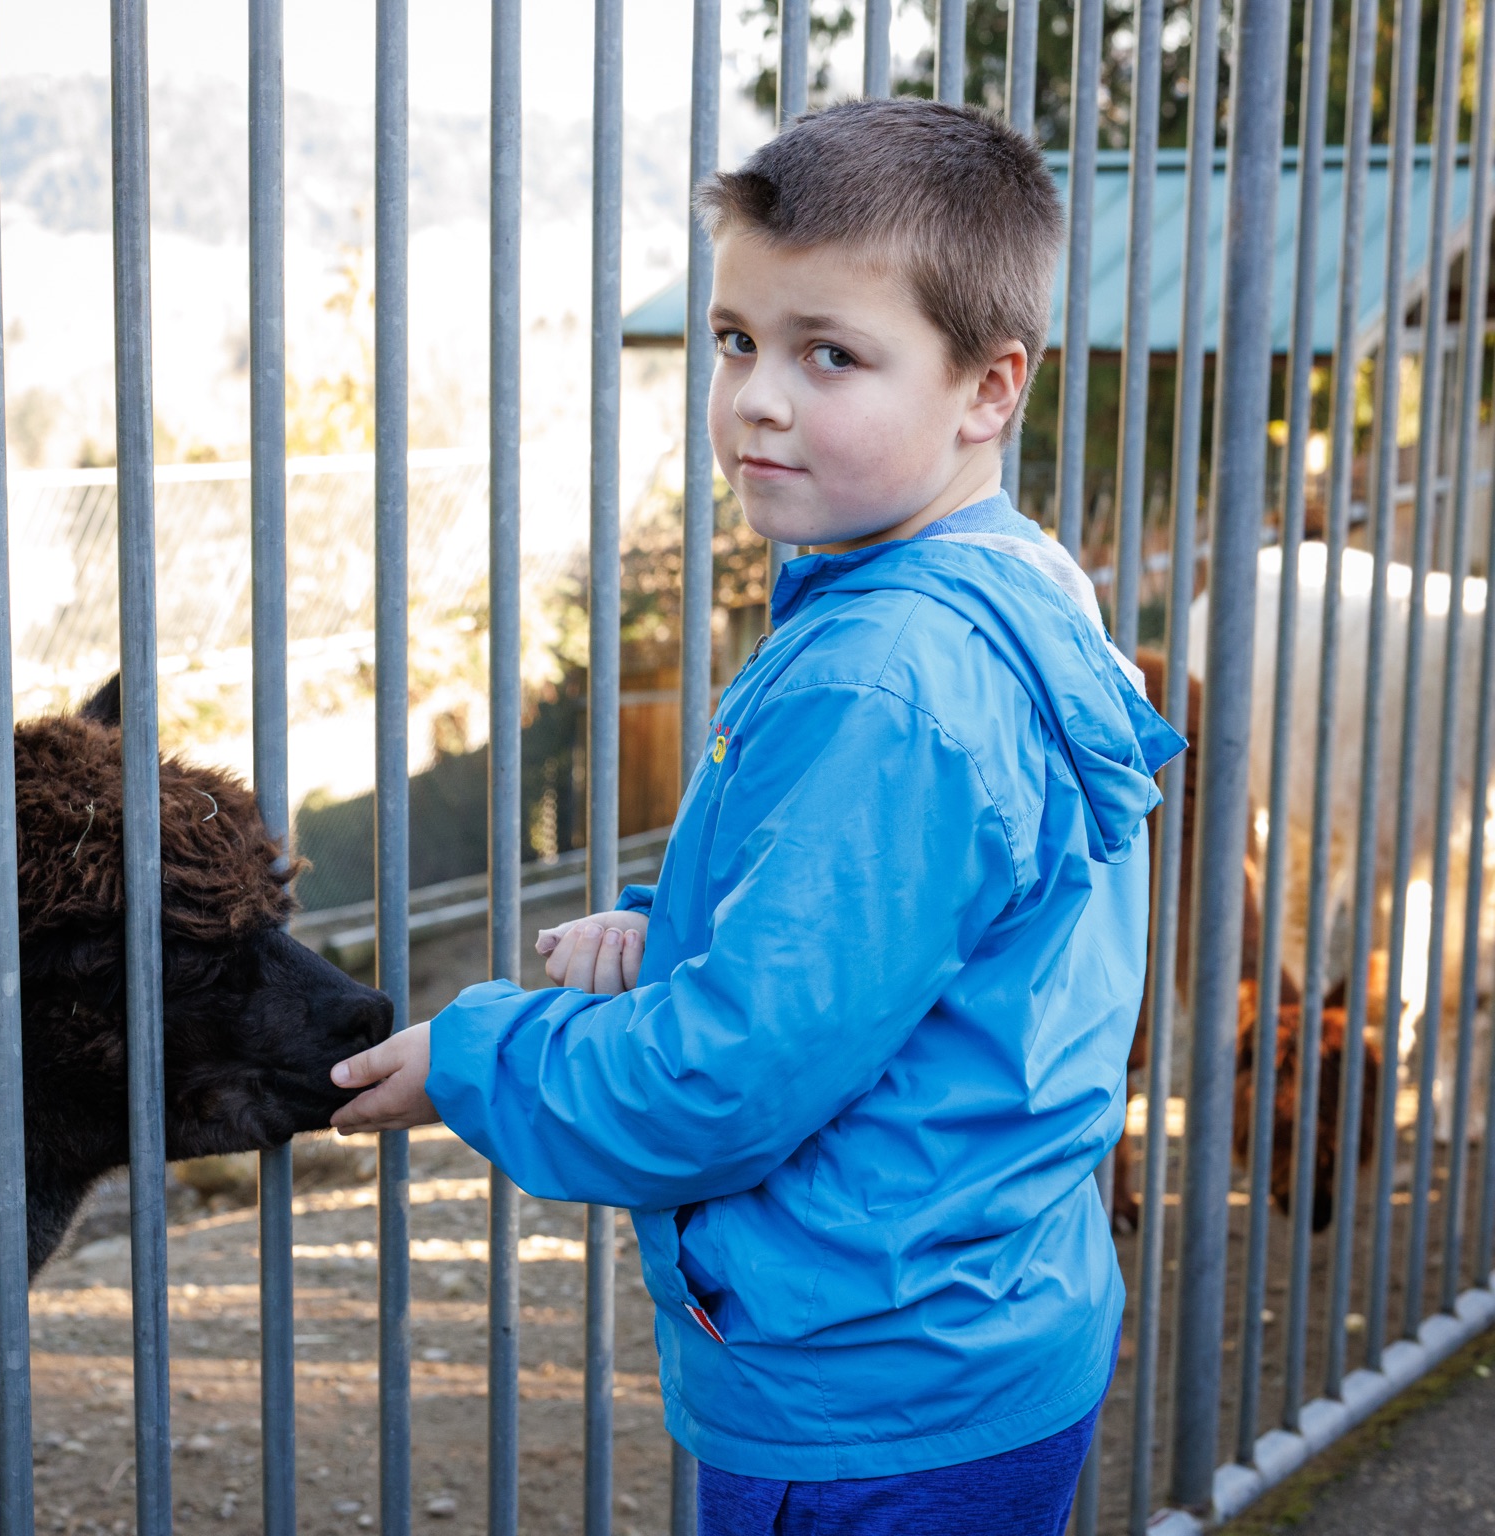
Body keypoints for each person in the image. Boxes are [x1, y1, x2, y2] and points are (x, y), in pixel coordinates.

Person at [327, 97, 1182, 1536]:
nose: (756, 400)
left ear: (987, 389)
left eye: (829, 354)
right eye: (737, 340)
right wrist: (678, 934)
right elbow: (929, 931)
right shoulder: (1015, 583)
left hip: (868, 1393)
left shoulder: (882, 681)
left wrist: (476, 1059)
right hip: (992, 1315)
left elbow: (721, 1089)